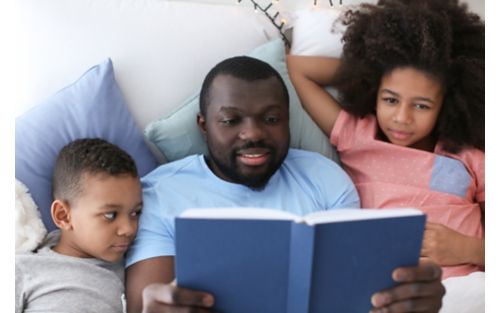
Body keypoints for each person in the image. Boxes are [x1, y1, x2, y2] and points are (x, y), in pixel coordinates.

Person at [125, 56, 445, 313]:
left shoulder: (326, 178)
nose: (253, 134)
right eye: (230, 120)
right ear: (203, 126)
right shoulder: (160, 193)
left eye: (271, 119)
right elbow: (146, 303)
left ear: (289, 121)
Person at [286, 0, 484, 311]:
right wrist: (369, 71)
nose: (402, 118)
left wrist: (470, 248)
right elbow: (298, 69)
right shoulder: (356, 135)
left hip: (464, 288)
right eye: (391, 99)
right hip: (385, 296)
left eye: (421, 105)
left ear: (449, 102)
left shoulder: (470, 156)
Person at [15, 138, 143, 313]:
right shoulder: (23, 270)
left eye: (135, 213)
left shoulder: (137, 259)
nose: (128, 229)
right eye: (110, 215)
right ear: (64, 216)